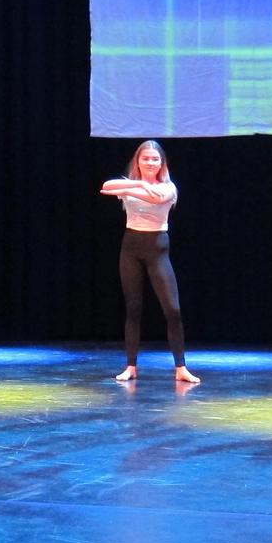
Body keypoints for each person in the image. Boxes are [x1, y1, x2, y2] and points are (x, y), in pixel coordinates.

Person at [100, 141, 201, 384]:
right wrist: (138, 183)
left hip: (157, 248)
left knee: (173, 309)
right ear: (138, 161)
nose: (150, 162)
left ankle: (181, 367)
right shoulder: (132, 183)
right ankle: (131, 366)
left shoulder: (169, 187)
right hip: (131, 247)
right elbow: (106, 186)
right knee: (133, 308)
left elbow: (157, 199)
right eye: (145, 158)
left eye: (155, 159)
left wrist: (132, 188)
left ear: (161, 163)